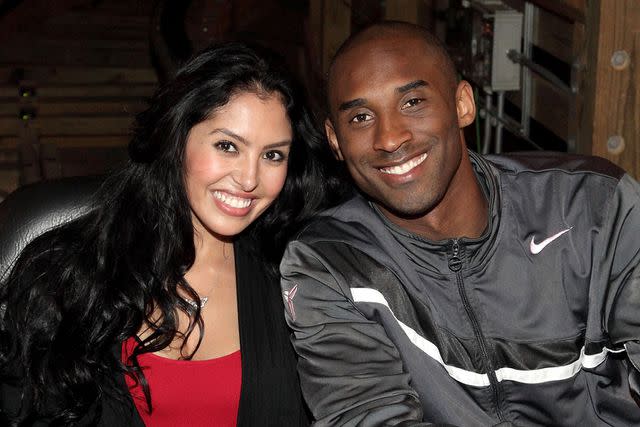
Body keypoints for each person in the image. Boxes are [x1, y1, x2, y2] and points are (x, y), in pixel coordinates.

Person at [280, 21, 640, 426]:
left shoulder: (591, 206)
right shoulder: (332, 262)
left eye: (412, 102)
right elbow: (367, 415)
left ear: (462, 104)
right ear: (334, 140)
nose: (389, 137)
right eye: (361, 117)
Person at [0, 41, 342, 426]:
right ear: (177, 138)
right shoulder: (65, 276)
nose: (249, 179)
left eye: (272, 155)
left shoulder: (298, 278)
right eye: (227, 146)